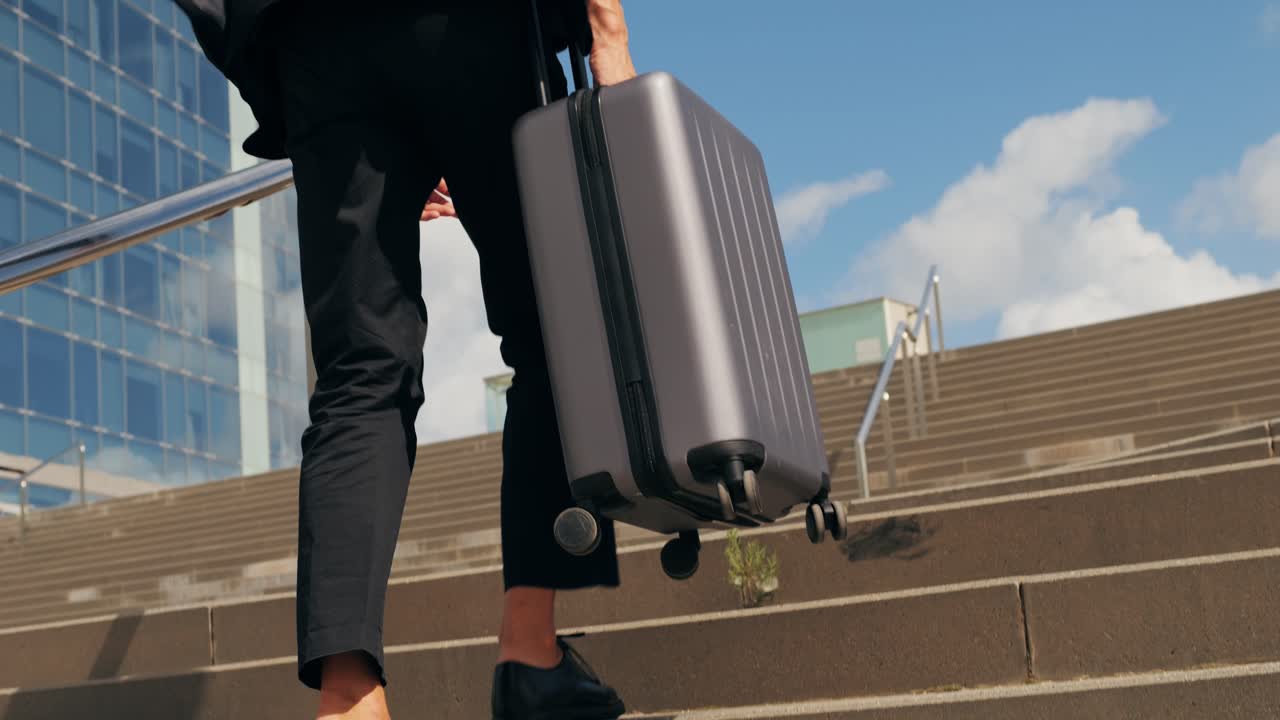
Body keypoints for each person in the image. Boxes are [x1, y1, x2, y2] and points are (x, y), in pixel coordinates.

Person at [174, 1, 639, 718]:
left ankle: (350, 701)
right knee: (555, 329)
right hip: (471, 25)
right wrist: (607, 29)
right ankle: (531, 654)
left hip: (316, 45)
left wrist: (275, 69)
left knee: (360, 371)